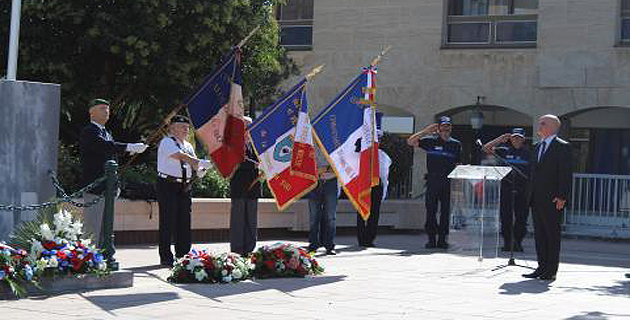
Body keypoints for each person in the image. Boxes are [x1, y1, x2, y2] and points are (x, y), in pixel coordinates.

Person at [79, 98, 148, 248]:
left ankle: (103, 256)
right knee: (92, 227)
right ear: (91, 111)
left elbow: (110, 152)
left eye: (108, 109)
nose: (106, 112)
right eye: (102, 108)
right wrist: (129, 147)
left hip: (107, 186)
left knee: (106, 226)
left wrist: (128, 152)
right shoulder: (89, 131)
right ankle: (88, 258)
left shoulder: (106, 132)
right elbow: (103, 146)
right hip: (95, 187)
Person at [156, 115, 212, 267]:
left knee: (184, 221)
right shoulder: (167, 142)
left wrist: (200, 169)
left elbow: (193, 163)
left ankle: (183, 254)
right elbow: (181, 156)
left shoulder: (188, 145)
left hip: (185, 186)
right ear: (172, 128)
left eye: (187, 127)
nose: (186, 130)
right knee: (168, 220)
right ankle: (166, 257)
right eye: (182, 126)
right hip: (168, 184)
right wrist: (198, 162)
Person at [523, 115, 572, 281]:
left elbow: (565, 174)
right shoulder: (537, 146)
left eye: (542, 123)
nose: (539, 125)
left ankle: (551, 270)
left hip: (553, 199)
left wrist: (562, 196)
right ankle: (541, 267)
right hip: (536, 198)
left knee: (551, 235)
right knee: (539, 235)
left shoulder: (562, 147)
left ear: (552, 127)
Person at [407, 116, 462, 249]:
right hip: (433, 180)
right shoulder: (430, 141)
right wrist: (425, 131)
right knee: (431, 211)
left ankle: (442, 240)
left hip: (447, 182)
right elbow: (410, 141)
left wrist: (458, 186)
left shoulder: (456, 144)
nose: (446, 129)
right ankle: (431, 239)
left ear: (451, 128)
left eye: (448, 126)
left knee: (445, 212)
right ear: (439, 128)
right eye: (443, 126)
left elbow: (458, 164)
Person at [483, 128, 531, 252]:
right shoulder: (504, 151)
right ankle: (507, 243)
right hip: (506, 188)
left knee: (521, 218)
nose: (516, 140)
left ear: (523, 139)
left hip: (522, 189)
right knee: (506, 218)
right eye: (514, 137)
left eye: (519, 138)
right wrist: (500, 139)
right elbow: (485, 148)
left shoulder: (528, 153)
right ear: (510, 139)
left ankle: (518, 242)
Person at [230, 116, 260, 256]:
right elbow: (236, 161)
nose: (248, 129)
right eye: (245, 126)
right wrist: (254, 164)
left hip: (253, 185)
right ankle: (237, 250)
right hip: (239, 185)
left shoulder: (257, 144)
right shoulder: (234, 143)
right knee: (238, 219)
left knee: (251, 219)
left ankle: (249, 249)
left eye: (250, 126)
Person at [357, 130, 392, 248]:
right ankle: (361, 238)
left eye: (379, 140)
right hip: (363, 184)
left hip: (377, 186)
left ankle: (370, 238)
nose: (378, 142)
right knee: (362, 212)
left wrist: (384, 190)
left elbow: (384, 175)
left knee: (375, 213)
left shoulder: (383, 155)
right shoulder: (361, 153)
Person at [307, 149, 339, 255]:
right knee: (313, 217)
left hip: (331, 182)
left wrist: (326, 169)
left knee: (330, 217)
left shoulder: (333, 140)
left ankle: (329, 245)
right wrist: (320, 170)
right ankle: (313, 245)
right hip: (313, 182)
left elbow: (340, 163)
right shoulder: (310, 138)